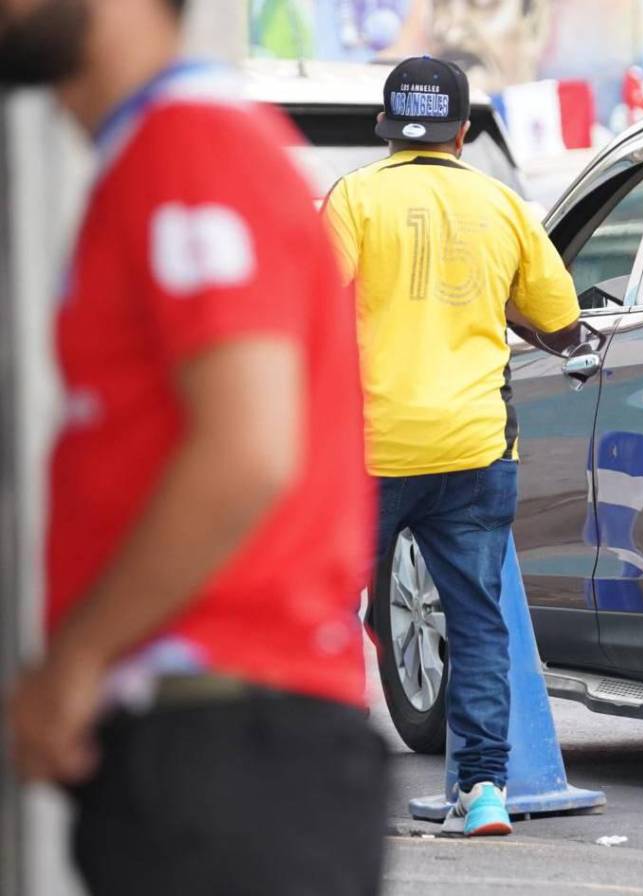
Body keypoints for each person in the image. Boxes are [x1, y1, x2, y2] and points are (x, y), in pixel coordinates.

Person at [2, 1, 385, 894]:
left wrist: (75, 665)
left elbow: (248, 448)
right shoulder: (162, 148)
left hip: (230, 753)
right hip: (218, 755)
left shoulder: (188, 145)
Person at [323, 55, 581, 837]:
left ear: (386, 127)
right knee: (474, 621)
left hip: (366, 449)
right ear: (463, 132)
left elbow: (312, 310)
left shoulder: (354, 199)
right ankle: (485, 794)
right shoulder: (501, 204)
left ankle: (331, 782)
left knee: (328, 609)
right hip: (471, 447)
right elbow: (562, 322)